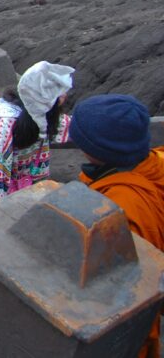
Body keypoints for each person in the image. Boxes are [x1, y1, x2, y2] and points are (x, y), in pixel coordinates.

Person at [70, 94, 163, 358]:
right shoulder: (154, 163)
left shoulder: (123, 208)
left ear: (97, 151)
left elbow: (119, 291)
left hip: (122, 326)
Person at [0, 61, 74, 213]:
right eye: (59, 92)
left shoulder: (45, 114)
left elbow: (71, 127)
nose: (64, 95)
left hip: (20, 176)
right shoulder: (7, 121)